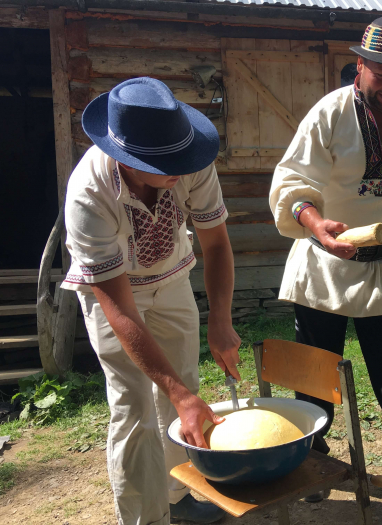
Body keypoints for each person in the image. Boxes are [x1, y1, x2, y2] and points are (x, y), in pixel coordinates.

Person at [269, 15, 382, 483]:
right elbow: (295, 184)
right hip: (323, 266)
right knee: (314, 382)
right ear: (361, 64)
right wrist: (318, 226)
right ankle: (309, 469)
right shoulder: (329, 113)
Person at [61, 77, 240, 524]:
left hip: (173, 279)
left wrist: (221, 319)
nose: (181, 170)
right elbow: (119, 308)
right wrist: (175, 393)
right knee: (135, 405)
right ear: (128, 160)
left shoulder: (189, 157)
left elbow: (216, 244)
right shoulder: (89, 195)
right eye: (166, 166)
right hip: (114, 295)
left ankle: (178, 497)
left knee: (186, 389)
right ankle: (145, 518)